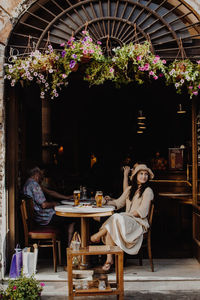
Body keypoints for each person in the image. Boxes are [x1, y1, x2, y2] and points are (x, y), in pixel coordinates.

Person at [90, 164, 154, 273]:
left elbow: (142, 211)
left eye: (146, 174)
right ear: (135, 176)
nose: (144, 177)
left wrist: (125, 215)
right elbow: (118, 203)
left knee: (116, 217)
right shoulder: (130, 189)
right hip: (125, 221)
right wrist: (106, 202)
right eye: (141, 174)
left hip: (138, 223)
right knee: (113, 223)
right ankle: (109, 260)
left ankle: (98, 235)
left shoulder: (148, 191)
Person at [22, 166, 75, 252]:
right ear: (36, 174)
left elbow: (50, 192)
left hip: (37, 217)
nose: (42, 177)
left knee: (63, 219)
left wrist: (66, 197)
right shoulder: (34, 185)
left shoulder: (28, 183)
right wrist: (55, 203)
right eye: (40, 175)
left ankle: (64, 246)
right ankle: (69, 248)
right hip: (44, 218)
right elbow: (44, 205)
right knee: (72, 219)